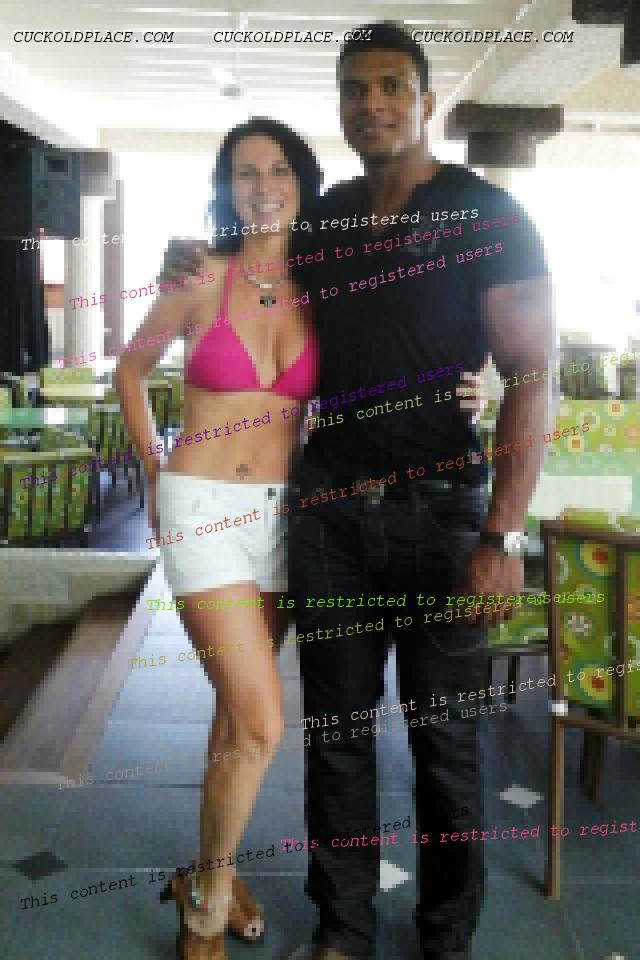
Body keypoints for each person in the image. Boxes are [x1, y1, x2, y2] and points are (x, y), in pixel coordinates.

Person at [285, 21, 554, 960]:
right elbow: (254, 288)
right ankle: (343, 928)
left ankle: (445, 937)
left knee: (445, 743)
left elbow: (531, 374)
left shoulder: (487, 214)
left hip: (444, 516)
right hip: (330, 513)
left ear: (427, 101)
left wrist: (503, 536)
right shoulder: (323, 219)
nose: (373, 103)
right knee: (336, 736)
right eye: (355, 89)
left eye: (392, 85)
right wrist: (184, 268)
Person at [115, 117, 323, 960]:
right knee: (263, 725)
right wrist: (154, 469)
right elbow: (132, 369)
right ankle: (204, 913)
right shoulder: (198, 275)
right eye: (245, 172)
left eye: (278, 170)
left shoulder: (325, 287)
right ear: (226, 187)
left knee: (235, 720)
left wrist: (467, 385)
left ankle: (206, 871)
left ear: (303, 184)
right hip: (202, 509)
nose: (262, 187)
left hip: (284, 519)